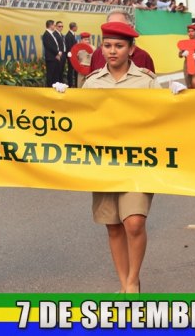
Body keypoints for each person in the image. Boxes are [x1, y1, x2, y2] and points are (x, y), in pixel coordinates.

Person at [69, 21, 160, 293]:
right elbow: (78, 119)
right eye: (107, 45)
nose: (112, 51)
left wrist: (179, 97)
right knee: (113, 226)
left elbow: (168, 119)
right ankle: (124, 282)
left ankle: (133, 281)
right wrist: (61, 101)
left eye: (119, 46)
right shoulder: (92, 82)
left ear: (131, 49)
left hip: (138, 162)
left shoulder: (147, 81)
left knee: (133, 222)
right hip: (103, 164)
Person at [89, 10, 155, 73]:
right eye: (110, 26)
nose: (114, 30)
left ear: (131, 27)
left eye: (119, 26)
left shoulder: (143, 57)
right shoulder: (97, 55)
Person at [178, 24, 195, 89]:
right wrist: (182, 54)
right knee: (190, 86)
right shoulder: (184, 43)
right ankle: (194, 98)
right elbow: (179, 55)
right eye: (189, 31)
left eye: (192, 31)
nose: (190, 33)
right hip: (187, 64)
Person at [43, 19, 61, 87]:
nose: (55, 26)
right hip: (51, 58)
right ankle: (49, 88)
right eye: (54, 25)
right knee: (50, 75)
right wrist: (57, 53)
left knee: (55, 75)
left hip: (54, 57)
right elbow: (49, 46)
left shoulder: (51, 34)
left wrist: (57, 54)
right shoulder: (46, 35)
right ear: (50, 25)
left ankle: (55, 87)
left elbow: (55, 45)